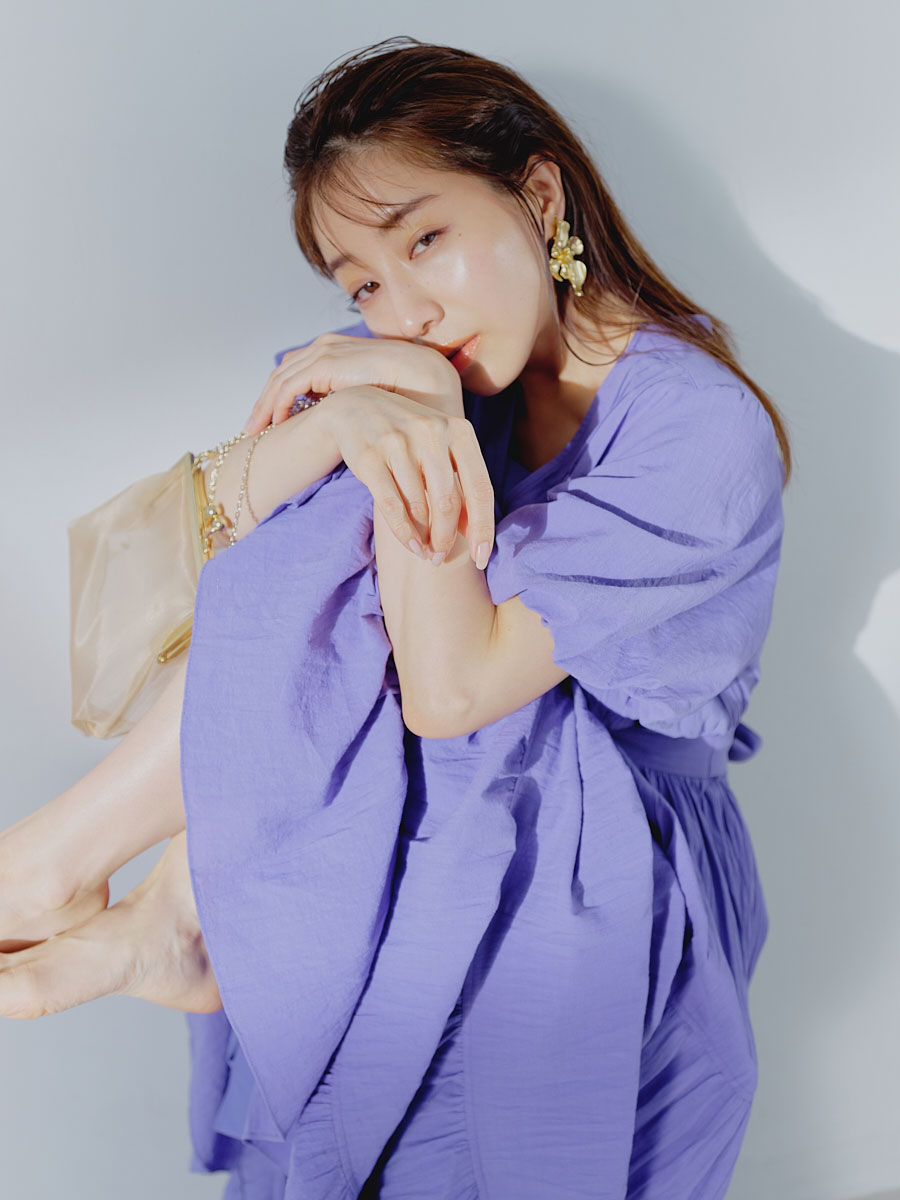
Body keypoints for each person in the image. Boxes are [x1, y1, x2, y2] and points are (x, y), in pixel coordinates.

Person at [0, 35, 791, 1200]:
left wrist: (413, 417)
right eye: (363, 284)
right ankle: (145, 897)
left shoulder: (699, 430)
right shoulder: (432, 365)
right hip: (410, 824)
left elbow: (452, 690)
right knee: (335, 490)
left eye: (425, 241)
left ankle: (121, 892)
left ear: (539, 195)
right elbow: (156, 580)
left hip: (601, 872)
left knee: (371, 478)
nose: (404, 310)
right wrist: (342, 426)